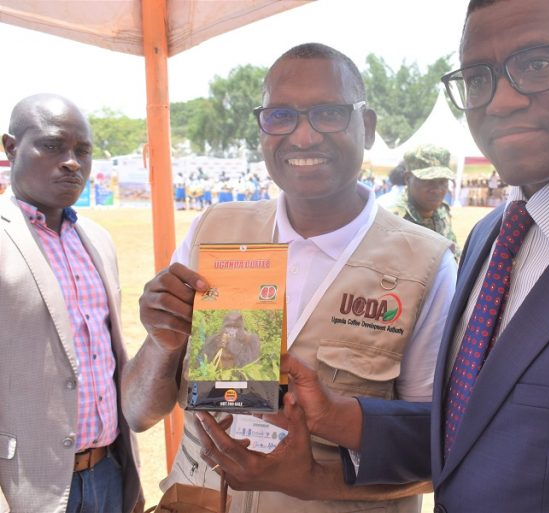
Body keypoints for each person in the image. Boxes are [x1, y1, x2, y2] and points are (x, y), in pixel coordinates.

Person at [192, 1, 549, 512]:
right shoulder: (493, 235)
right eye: (478, 77)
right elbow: (476, 428)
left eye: (537, 64)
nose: (504, 98)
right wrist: (342, 420)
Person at [121, 43, 457, 513]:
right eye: (281, 116)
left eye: (328, 114)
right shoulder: (212, 231)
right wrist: (162, 341)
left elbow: (438, 451)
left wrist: (313, 481)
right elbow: (138, 413)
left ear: (370, 128)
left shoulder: (424, 266)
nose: (302, 137)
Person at [0, 94, 143, 513]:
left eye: (83, 151)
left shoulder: (97, 240)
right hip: (29, 486)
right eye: (52, 146)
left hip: (109, 473)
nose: (72, 162)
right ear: (10, 148)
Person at [387, 144, 460, 259]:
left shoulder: (442, 210)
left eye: (443, 181)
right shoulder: (392, 219)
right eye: (428, 181)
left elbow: (453, 253)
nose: (436, 190)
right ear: (407, 179)